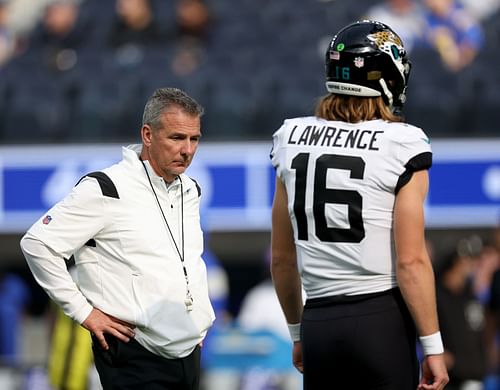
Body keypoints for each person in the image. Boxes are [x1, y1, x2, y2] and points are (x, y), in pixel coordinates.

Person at [269, 20, 449, 390]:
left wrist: (297, 331)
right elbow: (411, 261)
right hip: (379, 319)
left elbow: (281, 258)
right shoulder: (403, 142)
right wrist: (433, 345)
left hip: (318, 321)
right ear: (386, 75)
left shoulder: (291, 137)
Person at [20, 87, 215, 390]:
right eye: (176, 138)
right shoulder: (106, 187)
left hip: (188, 354)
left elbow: (184, 264)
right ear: (147, 135)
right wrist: (84, 312)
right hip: (135, 356)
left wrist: (197, 322)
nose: (187, 149)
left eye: (194, 139)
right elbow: (37, 244)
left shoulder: (190, 189)